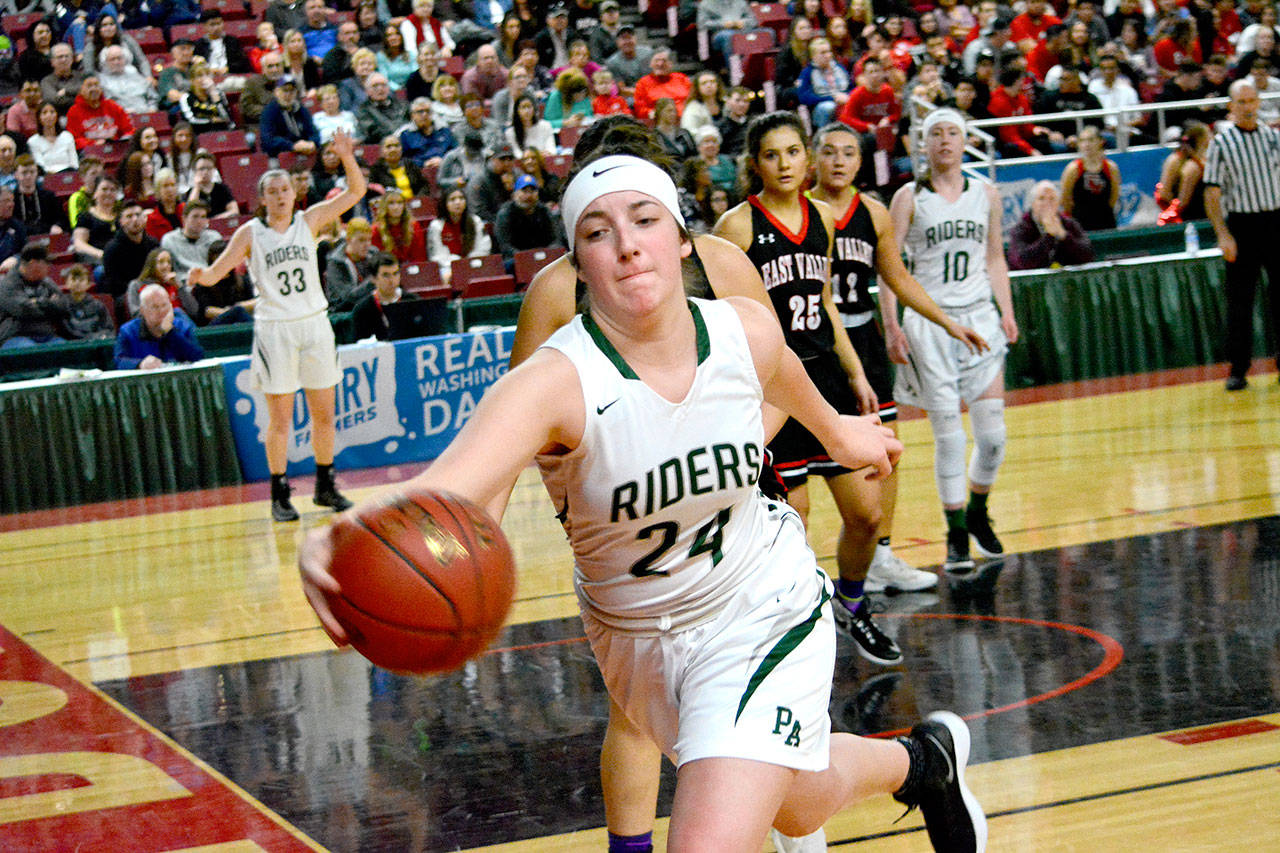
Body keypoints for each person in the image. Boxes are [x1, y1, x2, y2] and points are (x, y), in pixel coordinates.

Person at [299, 151, 987, 853]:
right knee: (798, 804)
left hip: (758, 604)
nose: (626, 244)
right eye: (598, 232)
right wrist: (345, 532)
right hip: (634, 641)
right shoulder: (554, 381)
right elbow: (449, 488)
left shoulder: (741, 328)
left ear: (682, 240)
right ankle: (925, 762)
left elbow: (780, 367)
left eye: (644, 220)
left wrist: (838, 430)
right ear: (578, 265)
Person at [714, 112, 907, 672]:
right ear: (755, 164)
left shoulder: (821, 216)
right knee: (791, 522)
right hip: (774, 386)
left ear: (806, 157)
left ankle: (852, 603)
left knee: (867, 513)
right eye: (771, 155)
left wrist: (856, 373)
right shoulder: (736, 227)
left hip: (826, 379)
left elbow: (823, 301)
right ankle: (793, 628)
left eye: (793, 152)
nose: (784, 164)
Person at [809, 122, 988, 595]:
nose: (839, 161)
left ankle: (881, 556)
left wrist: (948, 322)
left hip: (863, 336)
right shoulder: (801, 211)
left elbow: (899, 278)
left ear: (861, 162)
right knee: (802, 462)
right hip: (810, 343)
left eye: (849, 152)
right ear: (813, 158)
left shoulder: (873, 213)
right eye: (829, 152)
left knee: (885, 449)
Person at [189, 130, 367, 521]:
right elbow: (216, 273)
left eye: (286, 189)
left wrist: (346, 156)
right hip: (276, 331)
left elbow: (356, 192)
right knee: (281, 419)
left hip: (314, 324)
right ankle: (279, 493)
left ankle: (325, 485)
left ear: (293, 193)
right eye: (273, 191)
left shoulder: (310, 220)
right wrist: (200, 276)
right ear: (262, 199)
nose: (282, 195)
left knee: (324, 414)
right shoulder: (251, 234)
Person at [885, 108, 1018, 573]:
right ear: (924, 145)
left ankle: (978, 510)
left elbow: (995, 257)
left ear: (965, 142)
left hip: (979, 318)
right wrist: (892, 325)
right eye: (936, 134)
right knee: (950, 438)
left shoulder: (986, 193)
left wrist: (1006, 310)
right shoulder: (908, 197)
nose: (944, 140)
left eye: (953, 133)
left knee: (993, 438)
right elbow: (891, 268)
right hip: (930, 323)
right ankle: (956, 533)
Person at [1204, 80, 1280, 391]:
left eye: (1252, 100)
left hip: (1275, 220)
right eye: (1242, 102)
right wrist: (1223, 234)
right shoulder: (1221, 143)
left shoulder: (1273, 137)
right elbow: (1212, 192)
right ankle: (1238, 367)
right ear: (1231, 106)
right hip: (1243, 225)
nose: (1248, 107)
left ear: (1259, 102)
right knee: (1240, 301)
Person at [113, 283, 205, 369]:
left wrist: (171, 332)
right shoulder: (128, 331)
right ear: (142, 310)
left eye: (164, 305)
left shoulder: (183, 326)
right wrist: (140, 364)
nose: (161, 311)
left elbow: (197, 357)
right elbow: (119, 362)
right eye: (155, 307)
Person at [1007, 181, 1096, 270]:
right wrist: (1049, 236)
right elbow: (1023, 263)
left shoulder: (1069, 224)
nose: (1047, 203)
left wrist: (1064, 236)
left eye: (1052, 199)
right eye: (1041, 198)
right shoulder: (1021, 229)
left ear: (1058, 204)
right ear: (1033, 204)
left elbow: (1088, 256)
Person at [0, 245, 68, 349]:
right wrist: (49, 304)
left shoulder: (47, 282)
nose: (49, 267)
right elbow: (22, 310)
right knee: (33, 352)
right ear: (33, 263)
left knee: (67, 350)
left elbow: (63, 305)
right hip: (15, 336)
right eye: (46, 263)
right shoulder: (7, 284)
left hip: (46, 335)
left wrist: (36, 302)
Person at [1060, 127, 1120, 232]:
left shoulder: (1111, 168)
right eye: (1082, 141)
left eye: (1091, 140)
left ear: (1101, 142)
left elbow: (1114, 197)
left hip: (1106, 221)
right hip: (1080, 223)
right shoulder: (1073, 169)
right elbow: (1066, 199)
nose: (1086, 144)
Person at [351, 252, 421, 339]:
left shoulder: (413, 301)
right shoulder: (362, 309)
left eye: (395, 274)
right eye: (386, 275)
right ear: (373, 278)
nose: (392, 280)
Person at [426, 184, 489, 281]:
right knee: (446, 276)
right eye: (452, 199)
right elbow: (437, 255)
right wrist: (458, 264)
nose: (458, 202)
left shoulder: (475, 221)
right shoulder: (436, 226)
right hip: (448, 266)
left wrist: (468, 263)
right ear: (445, 204)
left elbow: (483, 248)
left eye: (461, 198)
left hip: (474, 263)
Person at [103, 199, 161, 303]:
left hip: (153, 291)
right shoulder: (112, 249)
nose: (135, 219)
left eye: (138, 215)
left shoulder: (153, 244)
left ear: (144, 218)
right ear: (121, 221)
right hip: (127, 297)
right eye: (129, 216)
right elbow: (114, 285)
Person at [494, 173, 561, 260]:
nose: (529, 195)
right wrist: (527, 257)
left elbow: (556, 239)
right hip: (516, 260)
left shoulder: (544, 211)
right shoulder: (505, 214)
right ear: (514, 194)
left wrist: (547, 253)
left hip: (544, 257)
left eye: (532, 191)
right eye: (524, 191)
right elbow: (505, 246)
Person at [1157, 122, 1211, 223]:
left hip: (1201, 215)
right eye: (1209, 134)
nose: (1211, 137)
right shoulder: (1191, 166)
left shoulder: (1200, 161)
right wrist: (1172, 214)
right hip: (1193, 218)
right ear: (1201, 139)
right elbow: (1180, 200)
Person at [193, 239, 256, 326]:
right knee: (238, 311)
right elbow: (207, 311)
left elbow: (255, 302)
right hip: (215, 326)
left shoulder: (242, 280)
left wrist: (237, 306)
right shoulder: (203, 283)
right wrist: (232, 311)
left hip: (240, 322)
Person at [124, 248, 199, 319]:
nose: (166, 265)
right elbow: (135, 313)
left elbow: (194, 311)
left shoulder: (176, 284)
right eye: (161, 262)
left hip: (179, 324)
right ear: (152, 265)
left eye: (169, 262)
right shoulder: (137, 285)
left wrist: (179, 288)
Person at [324, 216, 378, 311]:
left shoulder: (373, 253)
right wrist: (372, 281)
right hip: (342, 312)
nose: (367, 245)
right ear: (348, 240)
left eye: (369, 239)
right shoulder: (336, 261)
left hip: (368, 307)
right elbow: (347, 297)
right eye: (361, 240)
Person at [66, 77, 135, 150]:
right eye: (89, 86)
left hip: (115, 148)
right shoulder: (74, 111)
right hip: (90, 151)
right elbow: (74, 139)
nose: (94, 89)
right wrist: (94, 144)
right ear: (81, 90)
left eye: (96, 85)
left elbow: (129, 130)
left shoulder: (113, 106)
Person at [260, 75, 320, 157]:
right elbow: (268, 140)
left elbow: (313, 131)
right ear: (276, 92)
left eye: (291, 91)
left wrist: (312, 142)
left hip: (305, 153)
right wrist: (292, 146)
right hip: (279, 155)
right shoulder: (269, 111)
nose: (288, 94)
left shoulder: (301, 109)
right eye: (285, 90)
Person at [161, 201, 221, 283]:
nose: (199, 221)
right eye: (195, 217)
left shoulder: (214, 237)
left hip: (210, 282)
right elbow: (168, 271)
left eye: (203, 217)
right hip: (183, 283)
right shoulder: (169, 240)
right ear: (184, 219)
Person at [72, 173, 120, 264]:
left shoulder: (121, 217)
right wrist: (102, 254)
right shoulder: (86, 217)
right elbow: (79, 244)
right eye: (104, 189)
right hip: (97, 261)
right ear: (95, 194)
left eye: (112, 190)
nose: (108, 193)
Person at [632, 48, 691, 121]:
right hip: (659, 120)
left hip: (686, 117)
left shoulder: (682, 78)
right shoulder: (642, 83)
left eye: (664, 60)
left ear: (671, 64)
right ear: (650, 64)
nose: (660, 64)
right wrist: (650, 113)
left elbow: (693, 98)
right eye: (656, 60)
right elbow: (639, 109)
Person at [99, 44, 159, 114]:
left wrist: (152, 109)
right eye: (112, 59)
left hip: (145, 114)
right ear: (105, 62)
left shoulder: (137, 76)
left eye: (119, 58)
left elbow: (153, 98)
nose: (116, 62)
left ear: (125, 59)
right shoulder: (101, 81)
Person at [61, 264, 115, 340]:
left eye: (81, 280)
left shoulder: (98, 305)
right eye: (73, 279)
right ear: (66, 283)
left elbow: (109, 329)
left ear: (89, 284)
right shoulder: (62, 305)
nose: (77, 283)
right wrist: (89, 338)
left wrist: (98, 337)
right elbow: (67, 332)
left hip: (96, 342)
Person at [13, 155, 64, 236]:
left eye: (32, 172)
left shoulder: (49, 196)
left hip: (47, 235)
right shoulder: (12, 199)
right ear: (16, 175)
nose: (29, 176)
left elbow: (61, 219)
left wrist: (57, 226)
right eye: (24, 173)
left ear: (37, 173)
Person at [373, 191, 429, 264]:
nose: (396, 207)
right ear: (384, 206)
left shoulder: (413, 225)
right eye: (391, 203)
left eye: (400, 203)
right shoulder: (376, 229)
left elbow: (419, 256)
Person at [196, 8, 253, 75]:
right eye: (212, 25)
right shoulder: (200, 44)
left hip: (230, 75)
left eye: (219, 23)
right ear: (205, 27)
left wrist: (228, 68)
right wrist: (208, 69)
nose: (216, 28)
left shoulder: (232, 41)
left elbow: (242, 62)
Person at [356, 73, 410, 144]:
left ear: (388, 88)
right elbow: (372, 132)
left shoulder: (402, 105)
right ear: (367, 91)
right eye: (375, 86)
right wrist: (396, 135)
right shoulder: (363, 110)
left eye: (383, 85)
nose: (380, 89)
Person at [41, 43, 86, 115]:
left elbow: (89, 95)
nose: (64, 59)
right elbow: (55, 101)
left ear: (72, 59)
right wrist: (80, 97)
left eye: (67, 56)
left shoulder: (81, 76)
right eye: (60, 57)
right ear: (52, 62)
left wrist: (66, 91)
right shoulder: (47, 81)